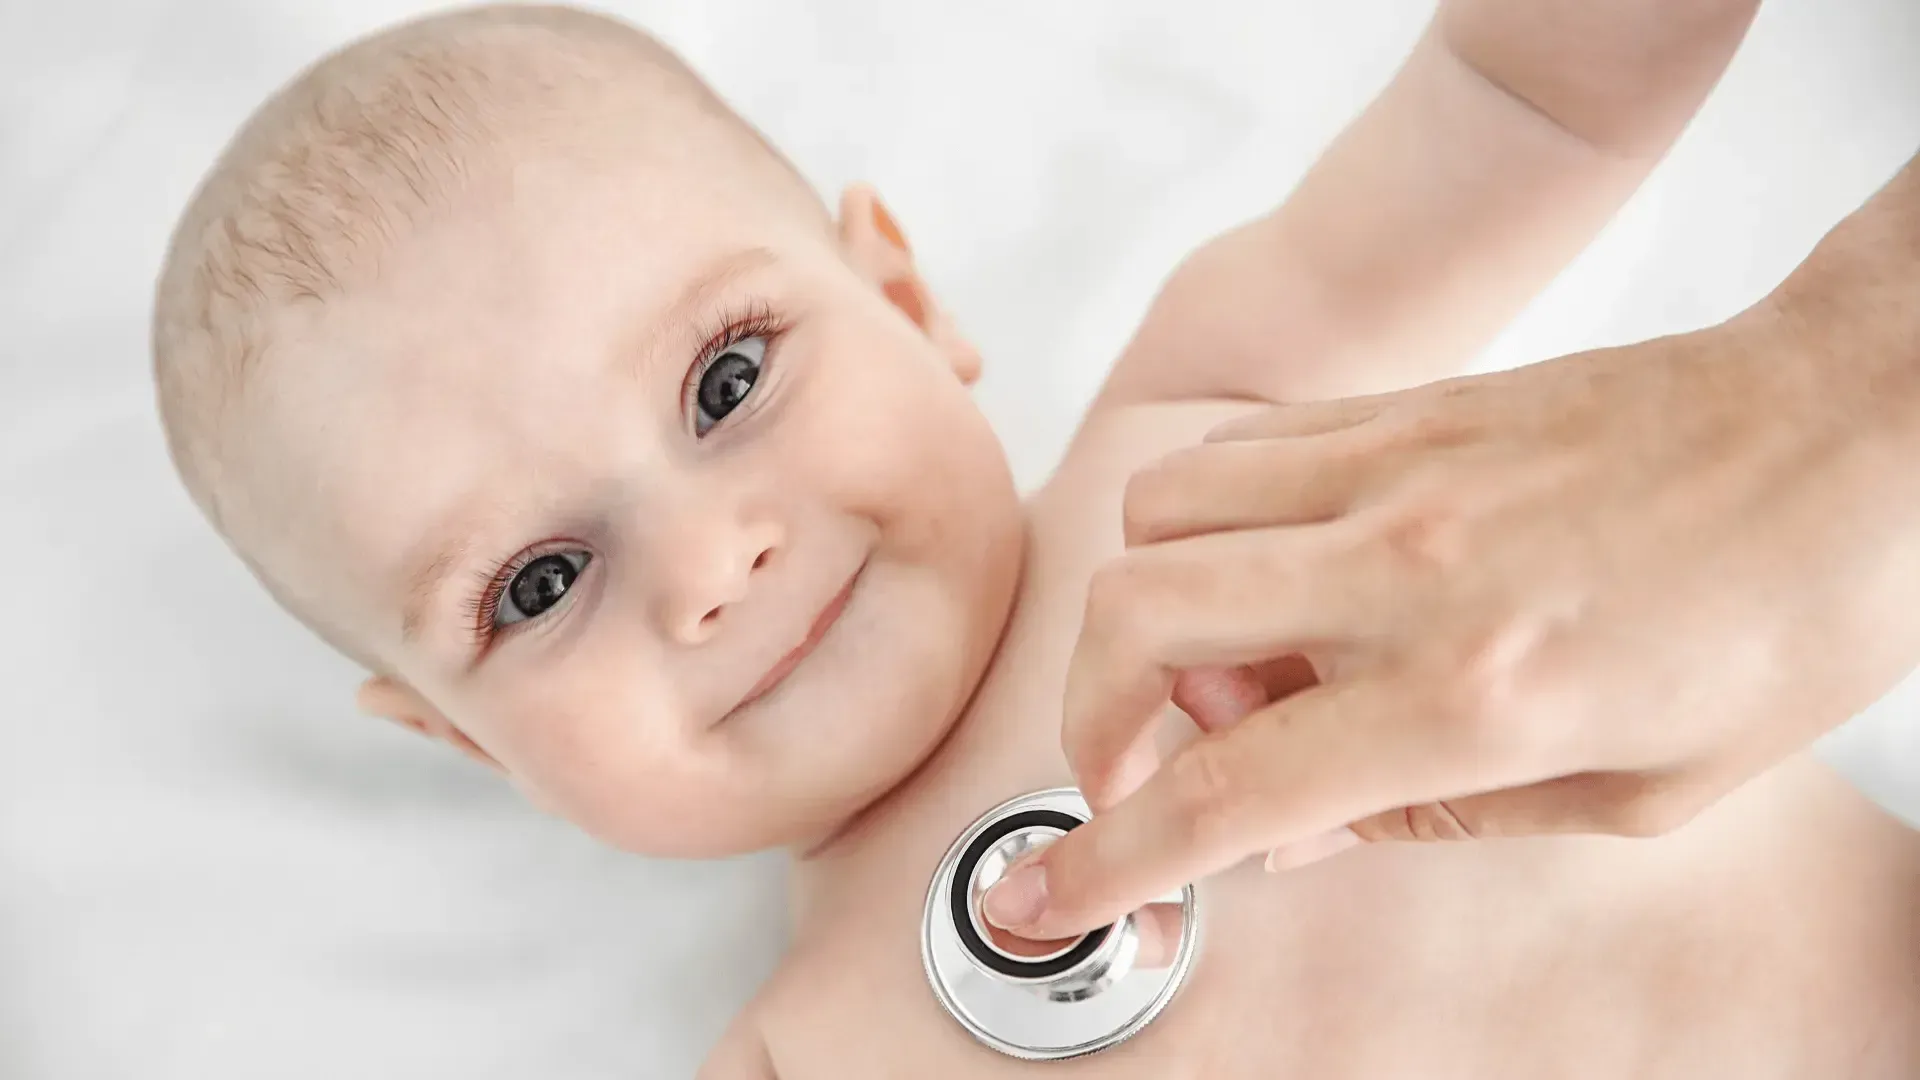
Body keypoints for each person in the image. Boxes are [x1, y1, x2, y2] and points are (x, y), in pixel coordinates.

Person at [151, 3, 1920, 1078]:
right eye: (539, 584)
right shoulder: (789, 1055)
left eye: (727, 380)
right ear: (470, 741)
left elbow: (1528, 99)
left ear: (907, 300)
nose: (712, 562)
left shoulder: (1212, 411)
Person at [988, 141, 1920, 948]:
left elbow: (1527, 102)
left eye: (827, 352)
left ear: (901, 294)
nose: (828, 544)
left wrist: (1842, 369)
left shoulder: (1194, 400)